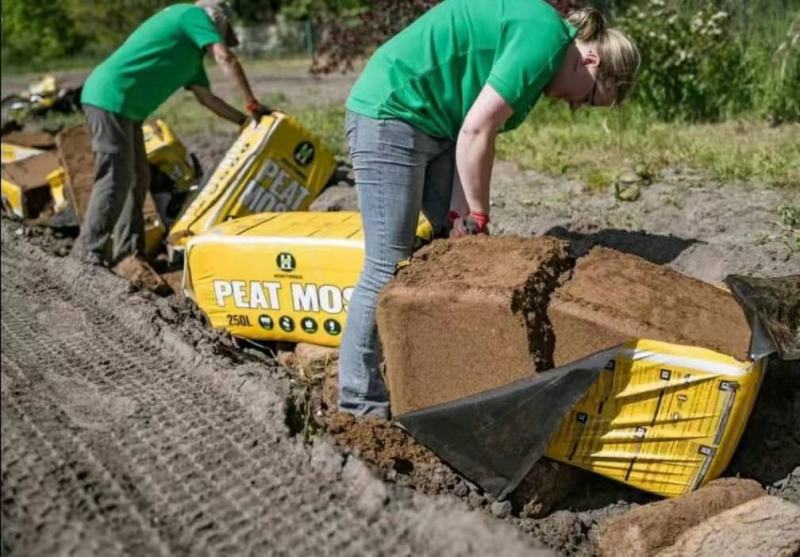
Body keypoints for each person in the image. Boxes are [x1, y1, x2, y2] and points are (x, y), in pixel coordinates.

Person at [339, 0, 640, 418]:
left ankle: (437, 377)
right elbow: (477, 129)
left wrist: (464, 220)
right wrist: (477, 216)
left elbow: (475, 132)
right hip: (392, 111)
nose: (575, 108)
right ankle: (359, 404)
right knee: (387, 263)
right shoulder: (546, 40)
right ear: (590, 59)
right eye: (588, 98)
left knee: (458, 251)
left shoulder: (545, 54)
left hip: (435, 125)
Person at [73, 0, 270, 266]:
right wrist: (252, 103)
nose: (217, 39)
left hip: (127, 109)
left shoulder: (190, 56)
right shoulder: (192, 14)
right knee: (116, 176)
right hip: (109, 97)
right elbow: (225, 57)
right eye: (220, 33)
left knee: (138, 178)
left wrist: (245, 122)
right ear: (217, 21)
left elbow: (207, 99)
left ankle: (129, 253)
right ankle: (87, 253)